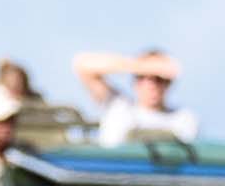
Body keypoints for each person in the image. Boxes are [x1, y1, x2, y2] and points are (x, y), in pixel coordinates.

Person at [71, 48, 199, 146]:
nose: (151, 85)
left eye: (158, 79)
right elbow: (82, 65)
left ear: (168, 83)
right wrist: (141, 66)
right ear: (135, 80)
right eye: (143, 77)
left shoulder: (183, 118)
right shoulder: (118, 106)